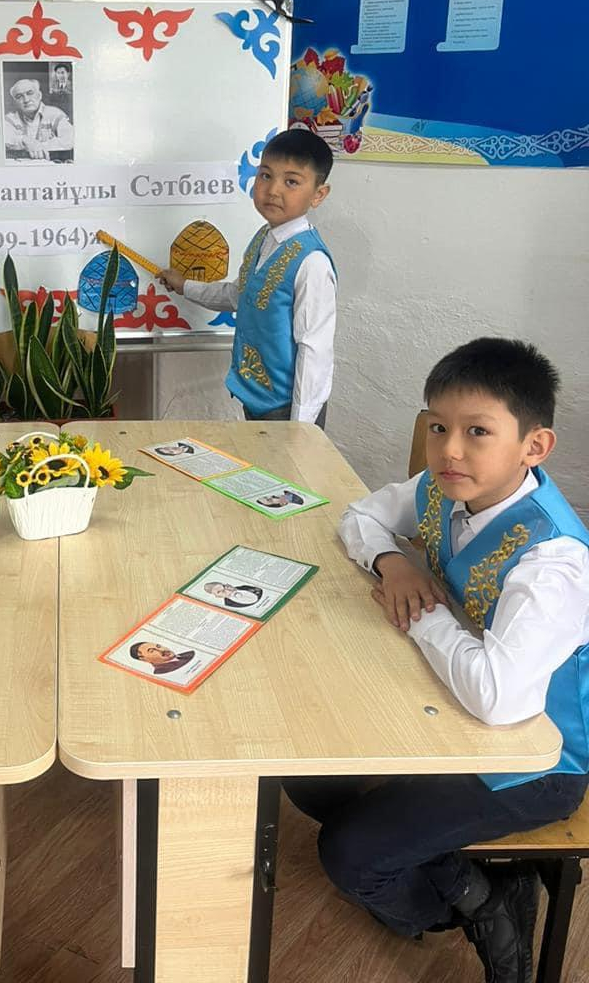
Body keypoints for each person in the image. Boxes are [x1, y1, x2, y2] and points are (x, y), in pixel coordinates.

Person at [284, 338, 589, 983]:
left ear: (534, 447)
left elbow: (499, 699)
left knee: (349, 855)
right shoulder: (443, 490)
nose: (450, 449)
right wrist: (393, 564)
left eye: (478, 431)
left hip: (537, 758)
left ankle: (477, 905)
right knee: (305, 777)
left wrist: (422, 613)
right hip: (447, 708)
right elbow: (360, 516)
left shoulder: (553, 561)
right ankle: (467, 881)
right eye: (437, 427)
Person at [160, 128, 335, 426]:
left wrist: (300, 430)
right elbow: (238, 295)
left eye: (291, 181)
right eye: (265, 175)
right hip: (255, 397)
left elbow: (314, 350)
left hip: (289, 409)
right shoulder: (263, 239)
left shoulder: (312, 262)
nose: (273, 190)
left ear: (318, 194)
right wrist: (185, 286)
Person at [3, 77, 74, 162]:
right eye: (19, 97)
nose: (26, 100)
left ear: (39, 95)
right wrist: (25, 140)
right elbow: (3, 139)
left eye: (30, 93)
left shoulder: (55, 114)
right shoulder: (10, 119)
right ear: (15, 102)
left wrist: (39, 146)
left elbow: (70, 139)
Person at [129, 641, 195, 675]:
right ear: (144, 659)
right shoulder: (162, 672)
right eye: (152, 651)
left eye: (158, 646)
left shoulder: (189, 653)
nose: (162, 650)